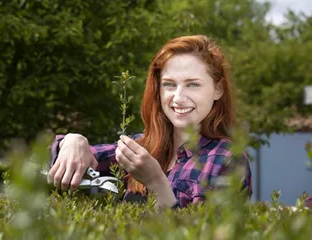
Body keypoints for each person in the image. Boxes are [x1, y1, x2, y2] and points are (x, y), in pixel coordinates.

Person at [48, 35, 252, 208]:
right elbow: (79, 159)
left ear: (218, 89)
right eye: (170, 84)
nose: (179, 97)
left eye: (192, 85)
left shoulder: (228, 158)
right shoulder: (142, 147)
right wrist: (73, 142)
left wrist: (155, 181)